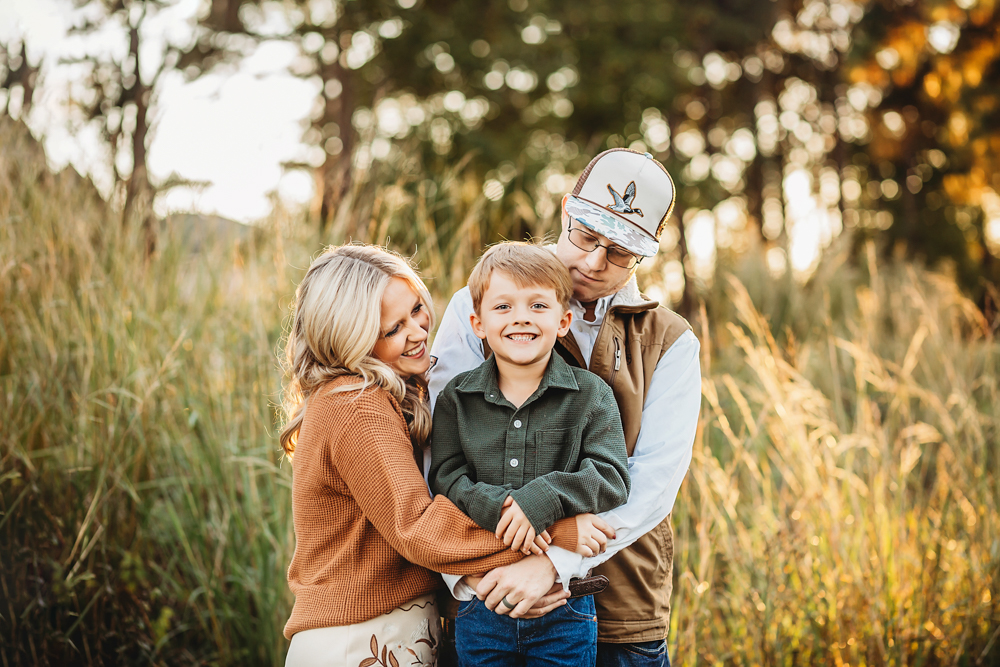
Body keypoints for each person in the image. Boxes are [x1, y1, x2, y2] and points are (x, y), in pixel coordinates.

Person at [429, 149, 702, 667]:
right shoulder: (481, 304)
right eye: (587, 235)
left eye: (621, 251)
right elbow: (440, 453)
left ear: (645, 254)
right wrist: (474, 572)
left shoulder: (670, 339)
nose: (596, 262)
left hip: (622, 606)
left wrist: (554, 562)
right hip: (488, 596)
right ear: (564, 211)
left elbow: (654, 480)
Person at [279, 244, 566, 667]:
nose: (416, 332)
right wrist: (555, 537)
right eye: (392, 329)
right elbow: (415, 525)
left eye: (416, 309)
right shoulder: (355, 405)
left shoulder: (380, 395)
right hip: (360, 639)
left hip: (388, 631)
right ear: (350, 338)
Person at [430, 242, 631, 665]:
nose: (521, 316)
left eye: (537, 305)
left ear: (563, 321)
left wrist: (543, 498)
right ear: (478, 324)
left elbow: (611, 475)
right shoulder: (456, 400)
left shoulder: (592, 396)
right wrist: (500, 507)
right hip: (481, 601)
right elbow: (445, 477)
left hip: (565, 607)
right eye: (503, 307)